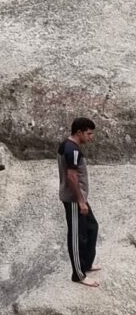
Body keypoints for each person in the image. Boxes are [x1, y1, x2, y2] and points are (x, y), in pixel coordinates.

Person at [60, 116, 99, 285]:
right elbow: (71, 176)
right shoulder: (72, 150)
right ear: (79, 132)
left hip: (79, 198)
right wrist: (81, 201)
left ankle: (87, 264)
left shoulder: (71, 146)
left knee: (92, 227)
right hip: (75, 199)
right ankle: (79, 274)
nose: (91, 137)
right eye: (89, 134)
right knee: (77, 236)